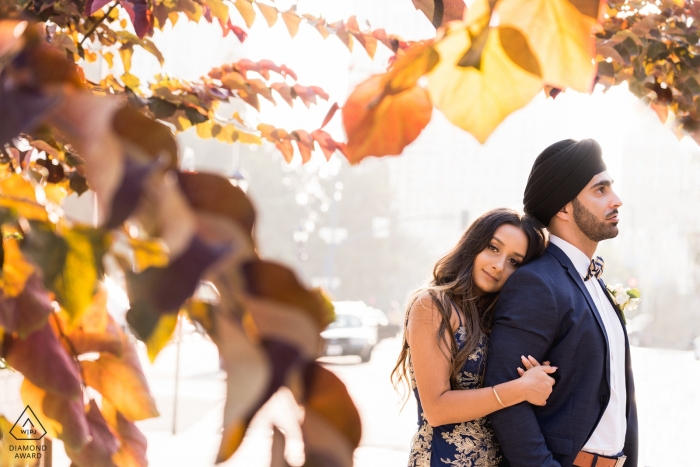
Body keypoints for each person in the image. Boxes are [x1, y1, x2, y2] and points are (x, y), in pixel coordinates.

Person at [483, 139, 638, 467]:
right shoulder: (537, 283)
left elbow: (621, 396)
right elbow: (504, 394)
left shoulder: (597, 283)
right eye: (601, 190)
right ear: (564, 208)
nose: (617, 200)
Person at [392, 208, 556, 467]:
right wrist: (521, 389)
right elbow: (436, 408)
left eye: (514, 261)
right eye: (493, 248)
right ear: (473, 244)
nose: (499, 265)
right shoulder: (434, 305)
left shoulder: (494, 319)